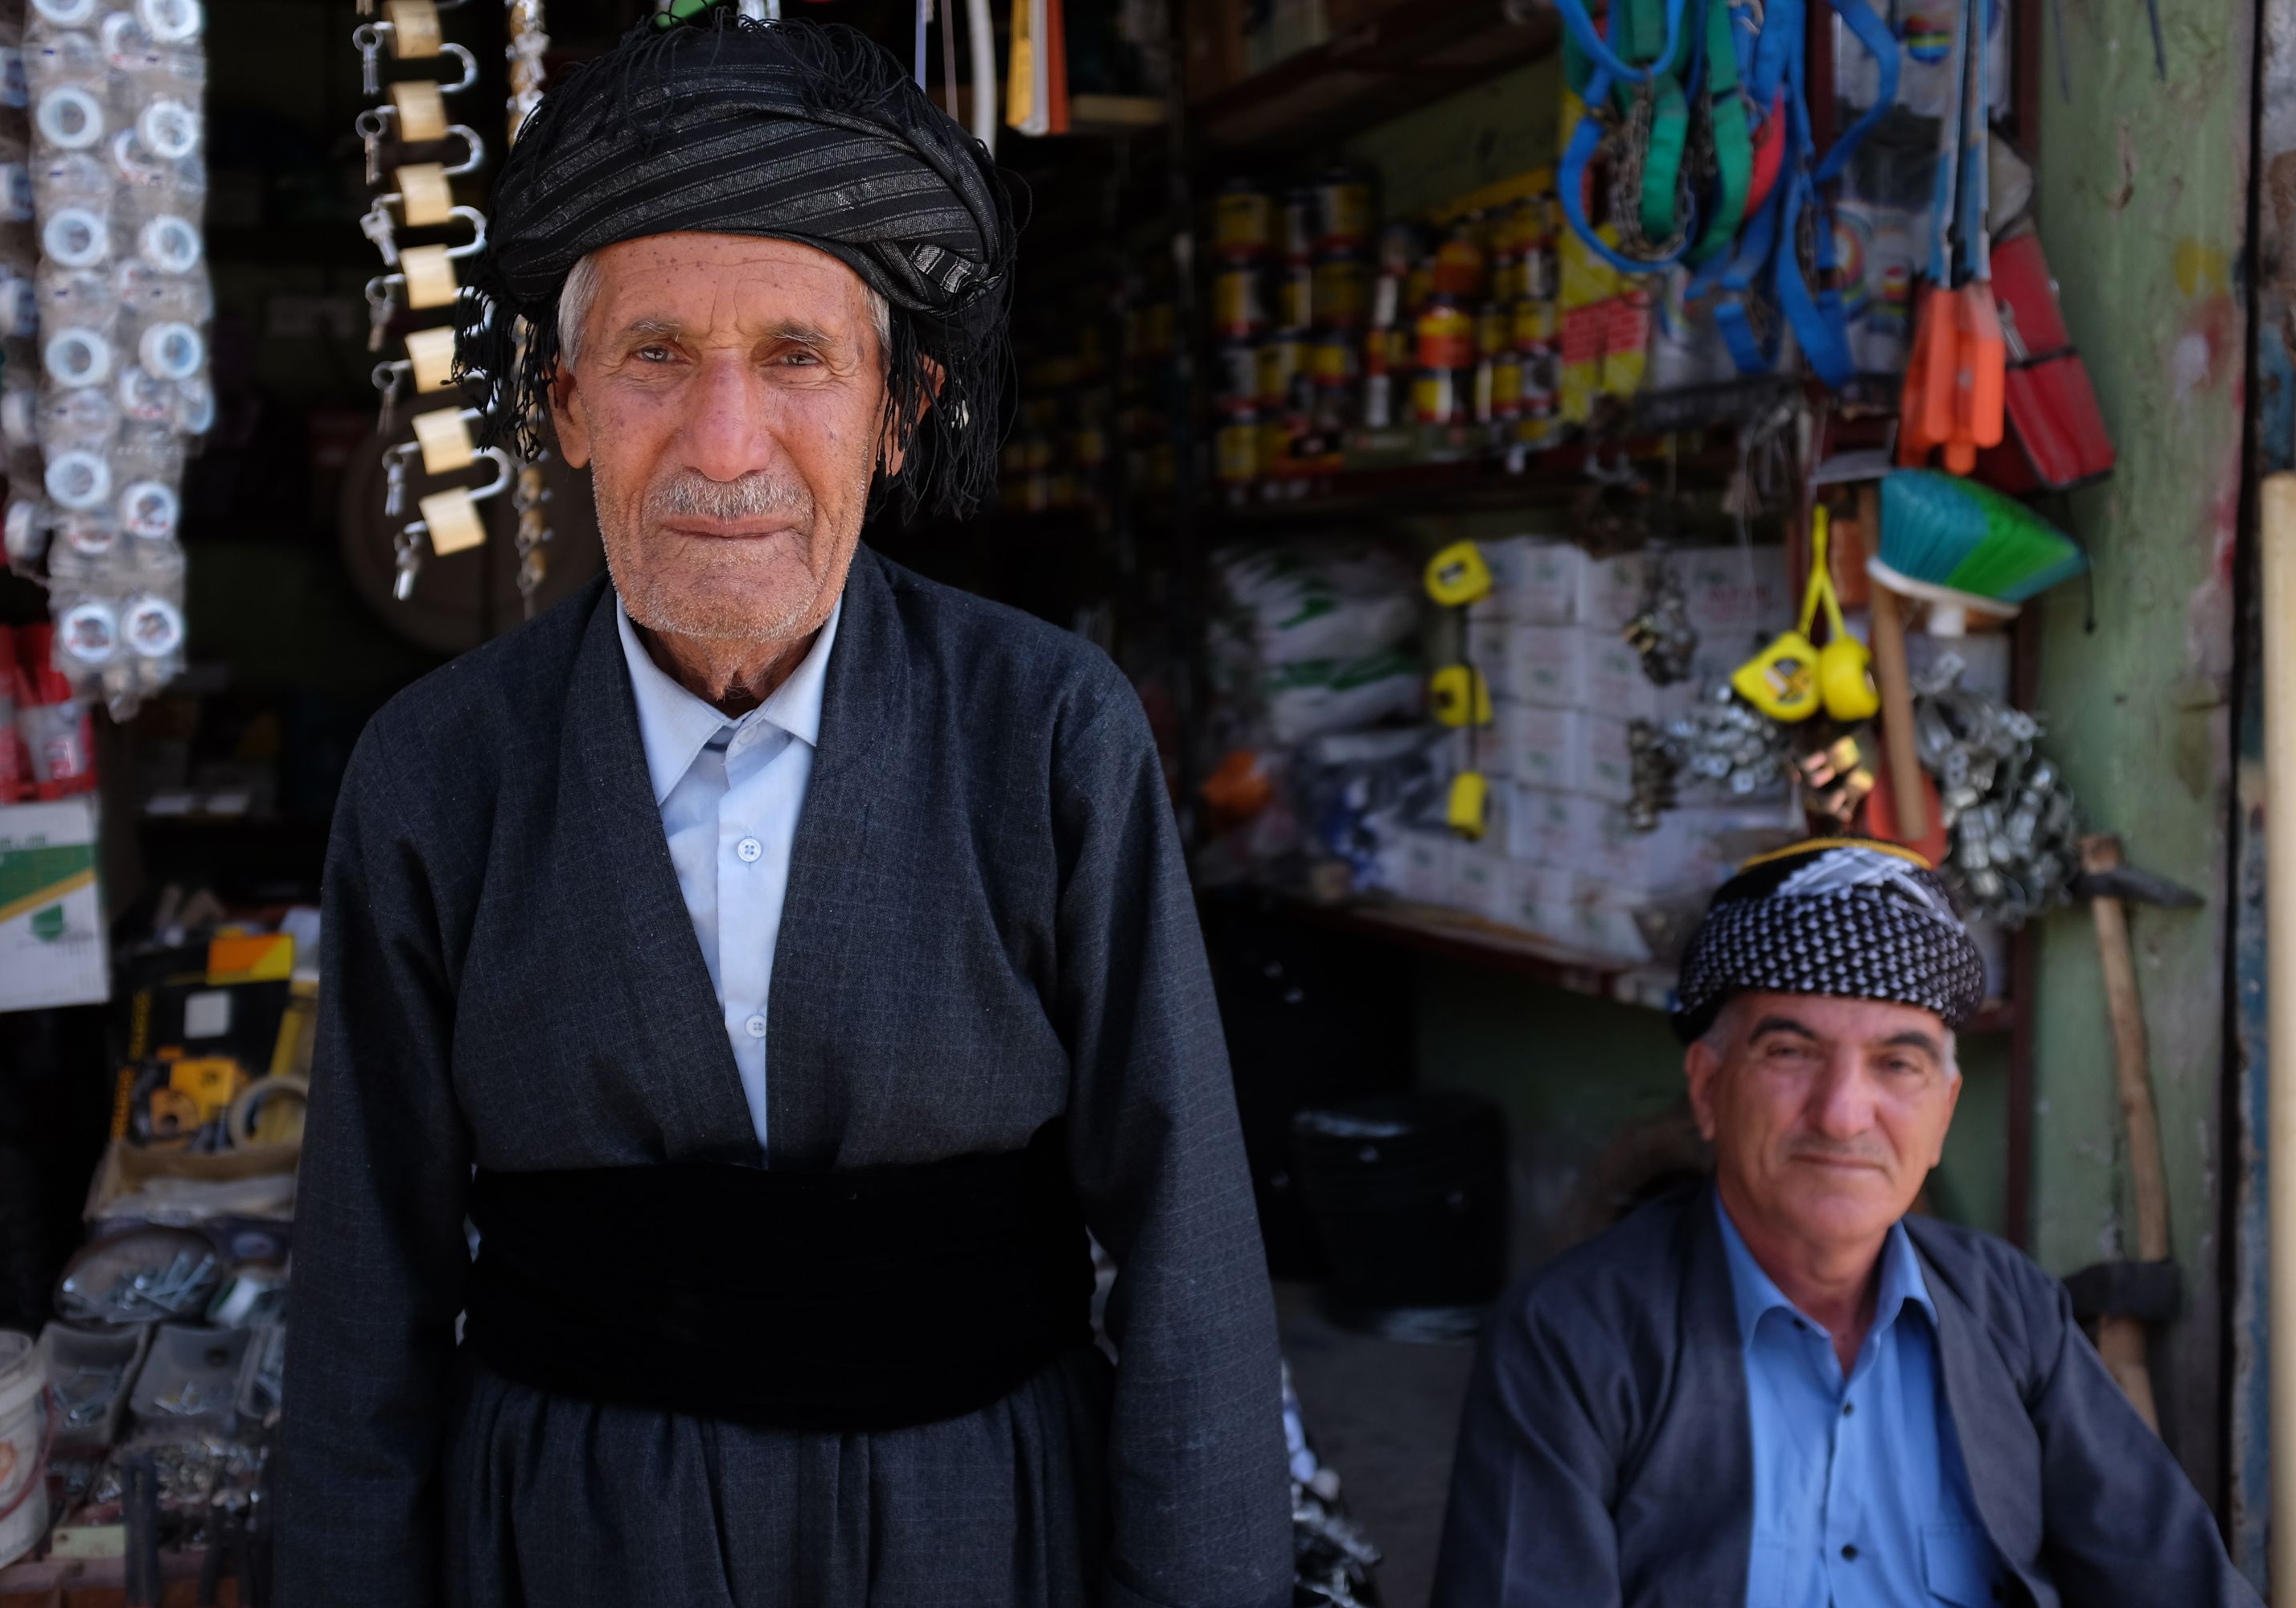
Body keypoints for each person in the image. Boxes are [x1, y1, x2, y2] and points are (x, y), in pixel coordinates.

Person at [275, 16, 1288, 1607]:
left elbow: (1188, 1255)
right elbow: (360, 1299)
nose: (725, 446)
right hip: (569, 1548)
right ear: (565, 405)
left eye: (798, 358)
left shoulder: (1045, 732)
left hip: (975, 1531)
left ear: (899, 410)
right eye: (656, 355)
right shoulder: (437, 771)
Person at [1431, 839, 2259, 1608]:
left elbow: (2176, 1577)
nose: (1841, 1114)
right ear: (1708, 1088)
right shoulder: (1572, 1338)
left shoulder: (2009, 1309)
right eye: (1790, 1053)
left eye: (1897, 1064)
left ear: (1943, 1114)